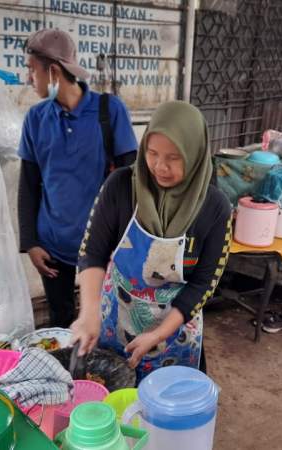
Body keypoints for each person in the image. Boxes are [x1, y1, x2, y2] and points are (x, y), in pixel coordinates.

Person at [69, 101, 232, 381]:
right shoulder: (120, 187)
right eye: (152, 153)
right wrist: (89, 312)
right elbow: (92, 252)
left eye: (173, 157)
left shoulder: (215, 208)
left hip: (175, 332)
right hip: (116, 318)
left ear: (194, 155)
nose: (160, 166)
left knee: (163, 412)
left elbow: (204, 284)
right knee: (116, 402)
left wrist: (158, 333)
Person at [18, 29, 139, 328]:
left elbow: (131, 181)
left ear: (55, 71)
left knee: (105, 318)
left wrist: (127, 245)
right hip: (52, 246)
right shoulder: (35, 119)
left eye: (32, 70)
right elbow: (28, 185)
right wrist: (31, 242)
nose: (28, 78)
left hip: (101, 246)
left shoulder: (109, 111)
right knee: (60, 320)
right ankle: (67, 374)